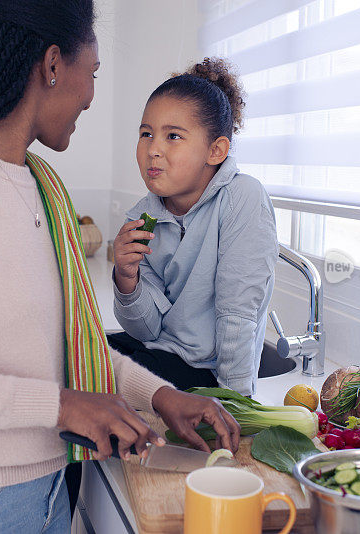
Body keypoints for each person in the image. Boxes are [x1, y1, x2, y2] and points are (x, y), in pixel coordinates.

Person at [0, 2, 240, 533]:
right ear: (52, 65)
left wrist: (164, 397)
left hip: (45, 488)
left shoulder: (42, 184)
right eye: (91, 74)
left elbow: (73, 349)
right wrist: (63, 407)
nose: (92, 96)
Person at [109, 58, 278, 397]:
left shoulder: (242, 197)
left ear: (216, 150)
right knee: (76, 354)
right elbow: (146, 330)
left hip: (203, 377)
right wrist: (127, 279)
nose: (153, 149)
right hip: (158, 358)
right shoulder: (143, 218)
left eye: (173, 136)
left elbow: (238, 314)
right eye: (146, 134)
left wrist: (234, 404)